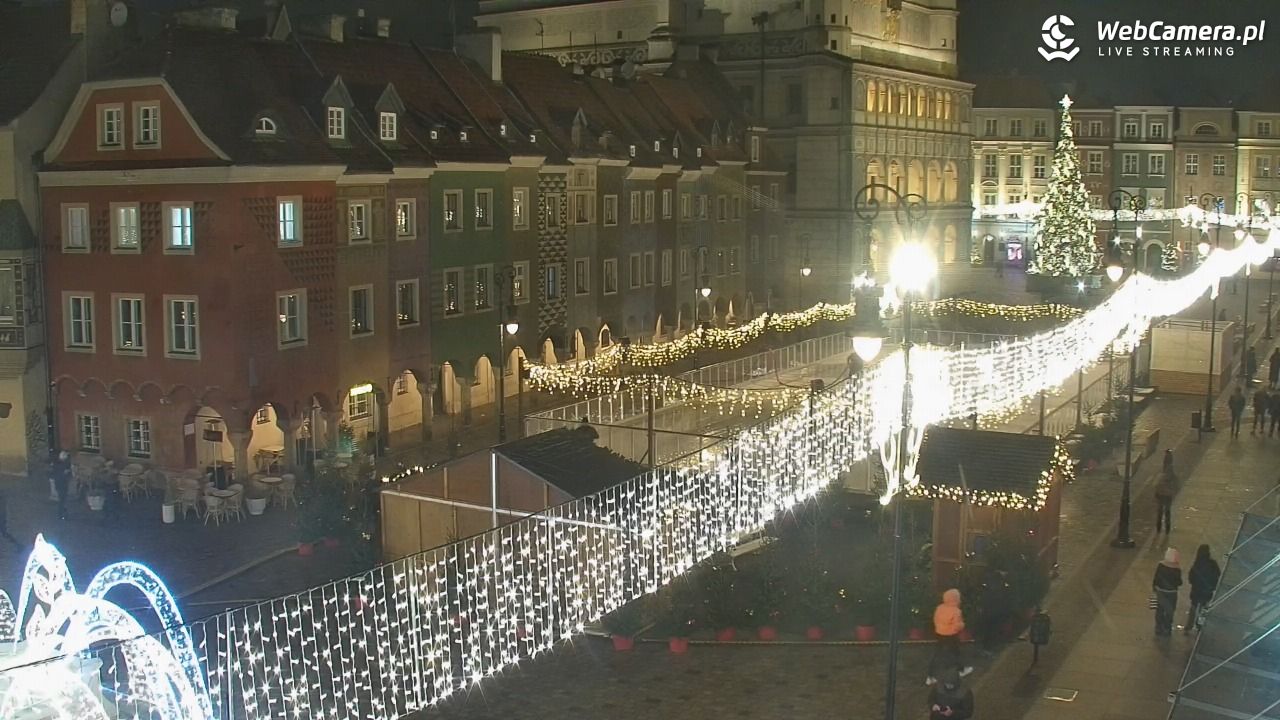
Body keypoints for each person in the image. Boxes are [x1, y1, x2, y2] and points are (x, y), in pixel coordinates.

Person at [932, 588, 973, 678]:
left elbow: (935, 619)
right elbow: (956, 626)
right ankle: (961, 670)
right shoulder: (956, 611)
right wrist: (962, 625)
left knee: (940, 652)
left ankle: (933, 674)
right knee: (955, 652)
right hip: (951, 635)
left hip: (939, 633)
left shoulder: (939, 608)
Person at [1186, 544, 1222, 634]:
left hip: (1196, 591)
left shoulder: (1197, 563)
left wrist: (1194, 583)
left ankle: (1188, 626)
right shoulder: (1212, 563)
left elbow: (1191, 577)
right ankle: (1199, 626)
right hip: (1206, 591)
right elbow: (1218, 574)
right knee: (1203, 609)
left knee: (1193, 608)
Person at [1152, 548, 1183, 636]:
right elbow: (1179, 582)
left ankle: (1158, 627)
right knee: (1170, 611)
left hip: (1160, 591)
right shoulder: (1177, 569)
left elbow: (1156, 577)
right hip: (1172, 593)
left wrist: (1154, 587)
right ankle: (1167, 627)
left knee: (1159, 609)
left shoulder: (1161, 565)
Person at [1155, 451, 1177, 534]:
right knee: (1167, 512)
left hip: (1161, 496)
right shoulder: (1172, 477)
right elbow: (1176, 486)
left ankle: (1159, 527)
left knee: (1160, 511)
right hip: (1167, 496)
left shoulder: (1161, 476)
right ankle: (1167, 527)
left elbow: (1155, 484)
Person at [52, 450, 71, 520]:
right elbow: (62, 475)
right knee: (62, 500)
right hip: (61, 485)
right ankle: (61, 513)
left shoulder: (57, 464)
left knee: (62, 499)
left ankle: (62, 512)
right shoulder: (61, 465)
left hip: (60, 484)